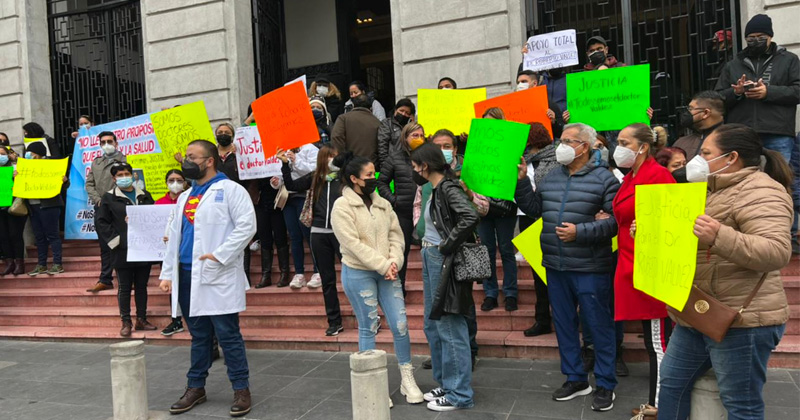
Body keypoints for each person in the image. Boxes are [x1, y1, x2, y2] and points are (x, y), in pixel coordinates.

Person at [658, 124, 794, 419]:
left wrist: (719, 235)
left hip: (742, 320)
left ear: (731, 157)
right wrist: (651, 232)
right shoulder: (708, 189)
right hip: (697, 311)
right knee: (671, 384)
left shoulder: (762, 191)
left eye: (706, 153)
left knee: (741, 404)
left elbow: (776, 251)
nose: (698, 159)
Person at [514, 123, 621, 411]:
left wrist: (580, 232)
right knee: (563, 324)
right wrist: (522, 181)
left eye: (568, 141)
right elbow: (535, 209)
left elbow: (615, 223)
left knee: (598, 326)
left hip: (590, 267)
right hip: (555, 264)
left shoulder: (606, 180)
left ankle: (606, 384)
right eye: (561, 140)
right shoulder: (551, 176)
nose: (561, 146)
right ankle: (575, 378)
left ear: (585, 146)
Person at [159, 140, 256, 417]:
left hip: (217, 272)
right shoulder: (184, 196)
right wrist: (168, 273)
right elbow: (173, 237)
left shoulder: (231, 190)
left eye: (192, 157)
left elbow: (247, 227)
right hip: (186, 274)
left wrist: (220, 255)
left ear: (210, 161)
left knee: (228, 335)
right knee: (199, 335)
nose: (186, 161)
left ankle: (241, 389)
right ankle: (195, 387)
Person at [330, 152, 424, 406]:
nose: (375, 178)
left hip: (388, 271)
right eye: (369, 175)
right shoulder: (342, 206)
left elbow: (396, 234)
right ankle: (372, 384)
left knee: (400, 325)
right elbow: (351, 244)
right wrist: (384, 265)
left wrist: (394, 262)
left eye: (375, 173)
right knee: (368, 325)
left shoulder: (382, 203)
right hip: (358, 272)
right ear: (354, 179)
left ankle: (407, 379)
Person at [610, 124, 677, 417]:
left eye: (625, 142)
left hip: (651, 268)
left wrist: (650, 226)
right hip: (632, 263)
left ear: (643, 147)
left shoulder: (657, 176)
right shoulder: (632, 176)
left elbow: (673, 221)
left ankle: (660, 407)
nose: (618, 147)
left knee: (659, 343)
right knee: (653, 341)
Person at [411, 143, 478, 412]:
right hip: (432, 256)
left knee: (450, 325)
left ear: (425, 166)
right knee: (435, 324)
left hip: (442, 259)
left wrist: (447, 245)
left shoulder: (448, 188)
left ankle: (459, 394)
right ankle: (448, 384)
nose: (414, 170)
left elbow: (470, 216)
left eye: (415, 166)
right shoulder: (437, 189)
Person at [715, 14, 800, 162]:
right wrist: (736, 92)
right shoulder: (733, 64)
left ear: (770, 37)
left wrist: (768, 92)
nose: (755, 40)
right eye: (751, 37)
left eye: (761, 37)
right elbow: (717, 99)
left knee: (780, 173)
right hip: (742, 134)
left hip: (777, 132)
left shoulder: (789, 60)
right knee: (743, 174)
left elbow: (797, 91)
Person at [280, 145, 345, 336]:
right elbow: (292, 186)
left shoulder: (345, 178)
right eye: (328, 157)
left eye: (334, 156)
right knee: (327, 280)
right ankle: (334, 321)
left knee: (354, 277)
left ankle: (369, 317)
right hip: (318, 233)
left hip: (342, 233)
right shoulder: (315, 177)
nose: (331, 160)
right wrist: (285, 165)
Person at [95, 163, 157, 337]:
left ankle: (141, 319)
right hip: (122, 250)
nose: (124, 177)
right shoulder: (109, 198)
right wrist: (117, 240)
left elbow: (153, 216)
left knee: (142, 286)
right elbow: (102, 222)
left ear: (132, 175)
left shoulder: (144, 195)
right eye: (120, 175)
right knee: (124, 287)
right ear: (114, 178)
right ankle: (126, 321)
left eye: (127, 174)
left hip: (143, 248)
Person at [474, 109, 519, 312]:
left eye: (492, 122)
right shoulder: (478, 147)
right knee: (486, 251)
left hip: (505, 207)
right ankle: (490, 293)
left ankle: (510, 293)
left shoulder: (511, 146)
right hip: (483, 207)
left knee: (507, 249)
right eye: (485, 123)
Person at [519, 122, 560, 337]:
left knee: (555, 274)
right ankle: (542, 318)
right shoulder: (522, 161)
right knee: (538, 272)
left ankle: (562, 318)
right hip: (528, 217)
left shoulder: (555, 160)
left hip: (550, 220)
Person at [378, 122, 426, 294]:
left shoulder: (428, 157)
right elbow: (381, 182)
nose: (419, 139)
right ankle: (399, 289)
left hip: (426, 213)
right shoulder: (394, 158)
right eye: (415, 135)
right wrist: (394, 200)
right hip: (403, 212)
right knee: (401, 253)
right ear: (405, 138)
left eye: (422, 136)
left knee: (430, 252)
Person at [86, 131, 127, 292]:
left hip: (119, 207)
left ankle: (126, 278)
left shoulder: (125, 160)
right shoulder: (96, 162)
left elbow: (128, 182)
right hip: (101, 207)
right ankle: (105, 279)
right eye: (103, 142)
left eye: (110, 141)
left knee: (122, 242)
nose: (107, 145)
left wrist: (112, 200)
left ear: (116, 143)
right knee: (105, 245)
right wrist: (98, 200)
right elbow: (89, 184)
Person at [23, 142, 70, 276]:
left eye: (30, 153)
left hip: (49, 205)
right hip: (33, 206)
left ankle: (57, 263)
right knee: (39, 237)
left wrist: (65, 181)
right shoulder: (26, 167)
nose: (28, 155)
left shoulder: (52, 165)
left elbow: (65, 186)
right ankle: (41, 264)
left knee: (52, 235)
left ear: (37, 155)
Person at [279, 144, 320, 288]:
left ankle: (318, 271)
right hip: (287, 197)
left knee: (308, 233)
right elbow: (280, 176)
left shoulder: (310, 148)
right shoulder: (282, 149)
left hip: (304, 195)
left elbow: (315, 170)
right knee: (294, 236)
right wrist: (276, 181)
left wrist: (296, 160)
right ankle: (299, 273)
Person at [156, 170, 188, 336]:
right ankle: (176, 320)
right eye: (171, 180)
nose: (175, 183)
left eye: (179, 180)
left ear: (185, 182)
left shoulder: (190, 200)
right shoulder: (158, 203)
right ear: (166, 182)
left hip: (186, 251)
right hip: (166, 252)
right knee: (172, 284)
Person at [253, 173, 290, 289]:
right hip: (260, 201)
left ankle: (284, 273)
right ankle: (266, 274)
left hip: (277, 200)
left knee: (280, 237)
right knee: (264, 238)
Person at [331, 94, 382, 166]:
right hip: (370, 165)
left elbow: (336, 137)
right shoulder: (377, 122)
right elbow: (381, 145)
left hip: (349, 165)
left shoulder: (343, 118)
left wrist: (342, 158)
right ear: (371, 108)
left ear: (353, 105)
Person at [673, 91, 725, 160]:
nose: (687, 113)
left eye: (691, 109)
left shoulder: (728, 140)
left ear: (706, 113)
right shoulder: (681, 143)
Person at [0, 146, 26, 276]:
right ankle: (9, 262)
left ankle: (19, 263)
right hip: (0, 208)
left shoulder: (16, 167)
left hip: (13, 206)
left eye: (2, 153)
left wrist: (16, 177)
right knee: (3, 235)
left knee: (14, 234)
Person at [516, 70, 564, 138]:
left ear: (534, 83)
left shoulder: (548, 104)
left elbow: (560, 132)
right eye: (518, 83)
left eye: (524, 81)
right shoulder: (513, 106)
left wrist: (553, 121)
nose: (520, 85)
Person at [377, 98, 415, 168]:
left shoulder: (410, 127)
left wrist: (412, 125)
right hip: (392, 165)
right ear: (395, 110)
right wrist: (385, 166)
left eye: (407, 113)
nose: (403, 114)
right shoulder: (387, 123)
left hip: (408, 165)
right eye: (401, 110)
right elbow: (382, 146)